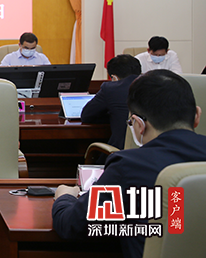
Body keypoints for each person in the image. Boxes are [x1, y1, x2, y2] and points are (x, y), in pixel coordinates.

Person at [52, 70, 206, 258]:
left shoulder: (129, 166)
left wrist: (64, 197)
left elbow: (72, 225)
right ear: (197, 115)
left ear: (139, 124)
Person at [81, 54, 142, 152]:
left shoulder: (111, 88)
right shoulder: (155, 87)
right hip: (155, 152)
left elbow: (87, 116)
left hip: (121, 152)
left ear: (114, 78)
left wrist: (112, 115)